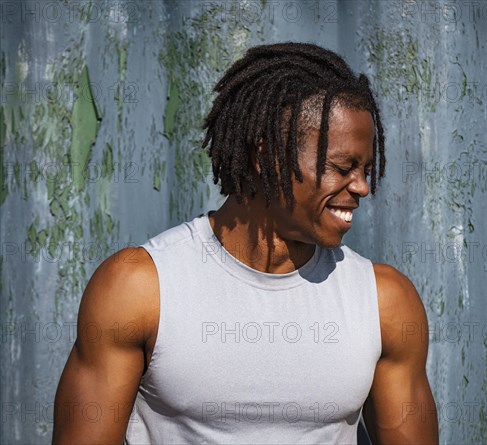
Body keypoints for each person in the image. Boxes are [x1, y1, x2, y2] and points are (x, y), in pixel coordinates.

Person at [52, 42, 438, 444]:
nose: (360, 186)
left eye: (366, 169)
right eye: (342, 167)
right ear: (266, 156)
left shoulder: (385, 303)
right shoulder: (139, 287)